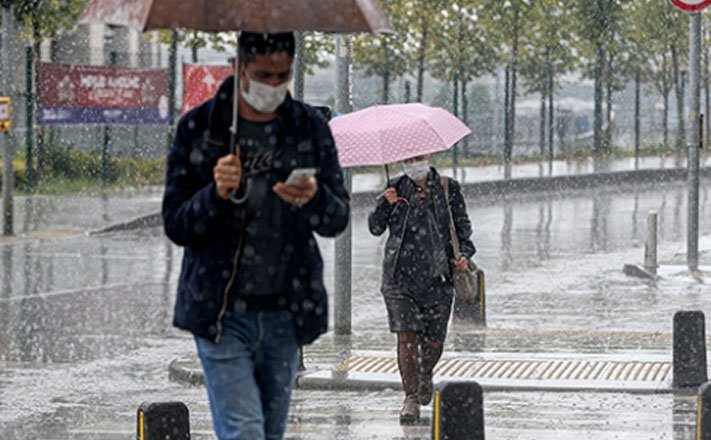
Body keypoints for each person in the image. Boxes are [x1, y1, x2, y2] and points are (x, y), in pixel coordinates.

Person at [162, 31, 349, 440]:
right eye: (264, 75)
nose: (273, 86)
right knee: (244, 430)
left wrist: (314, 198)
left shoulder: (309, 127)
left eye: (282, 76)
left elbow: (337, 218)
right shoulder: (200, 129)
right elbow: (176, 223)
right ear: (240, 68)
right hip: (220, 314)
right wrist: (214, 194)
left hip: (285, 312)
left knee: (268, 431)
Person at [368, 153, 476, 423]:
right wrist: (383, 205)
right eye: (409, 158)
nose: (414, 162)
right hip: (399, 279)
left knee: (434, 341)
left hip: (438, 279)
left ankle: (425, 372)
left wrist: (464, 254)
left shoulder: (448, 188)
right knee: (406, 337)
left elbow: (463, 227)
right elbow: (375, 228)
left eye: (419, 157)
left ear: (428, 156)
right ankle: (411, 397)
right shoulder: (394, 187)